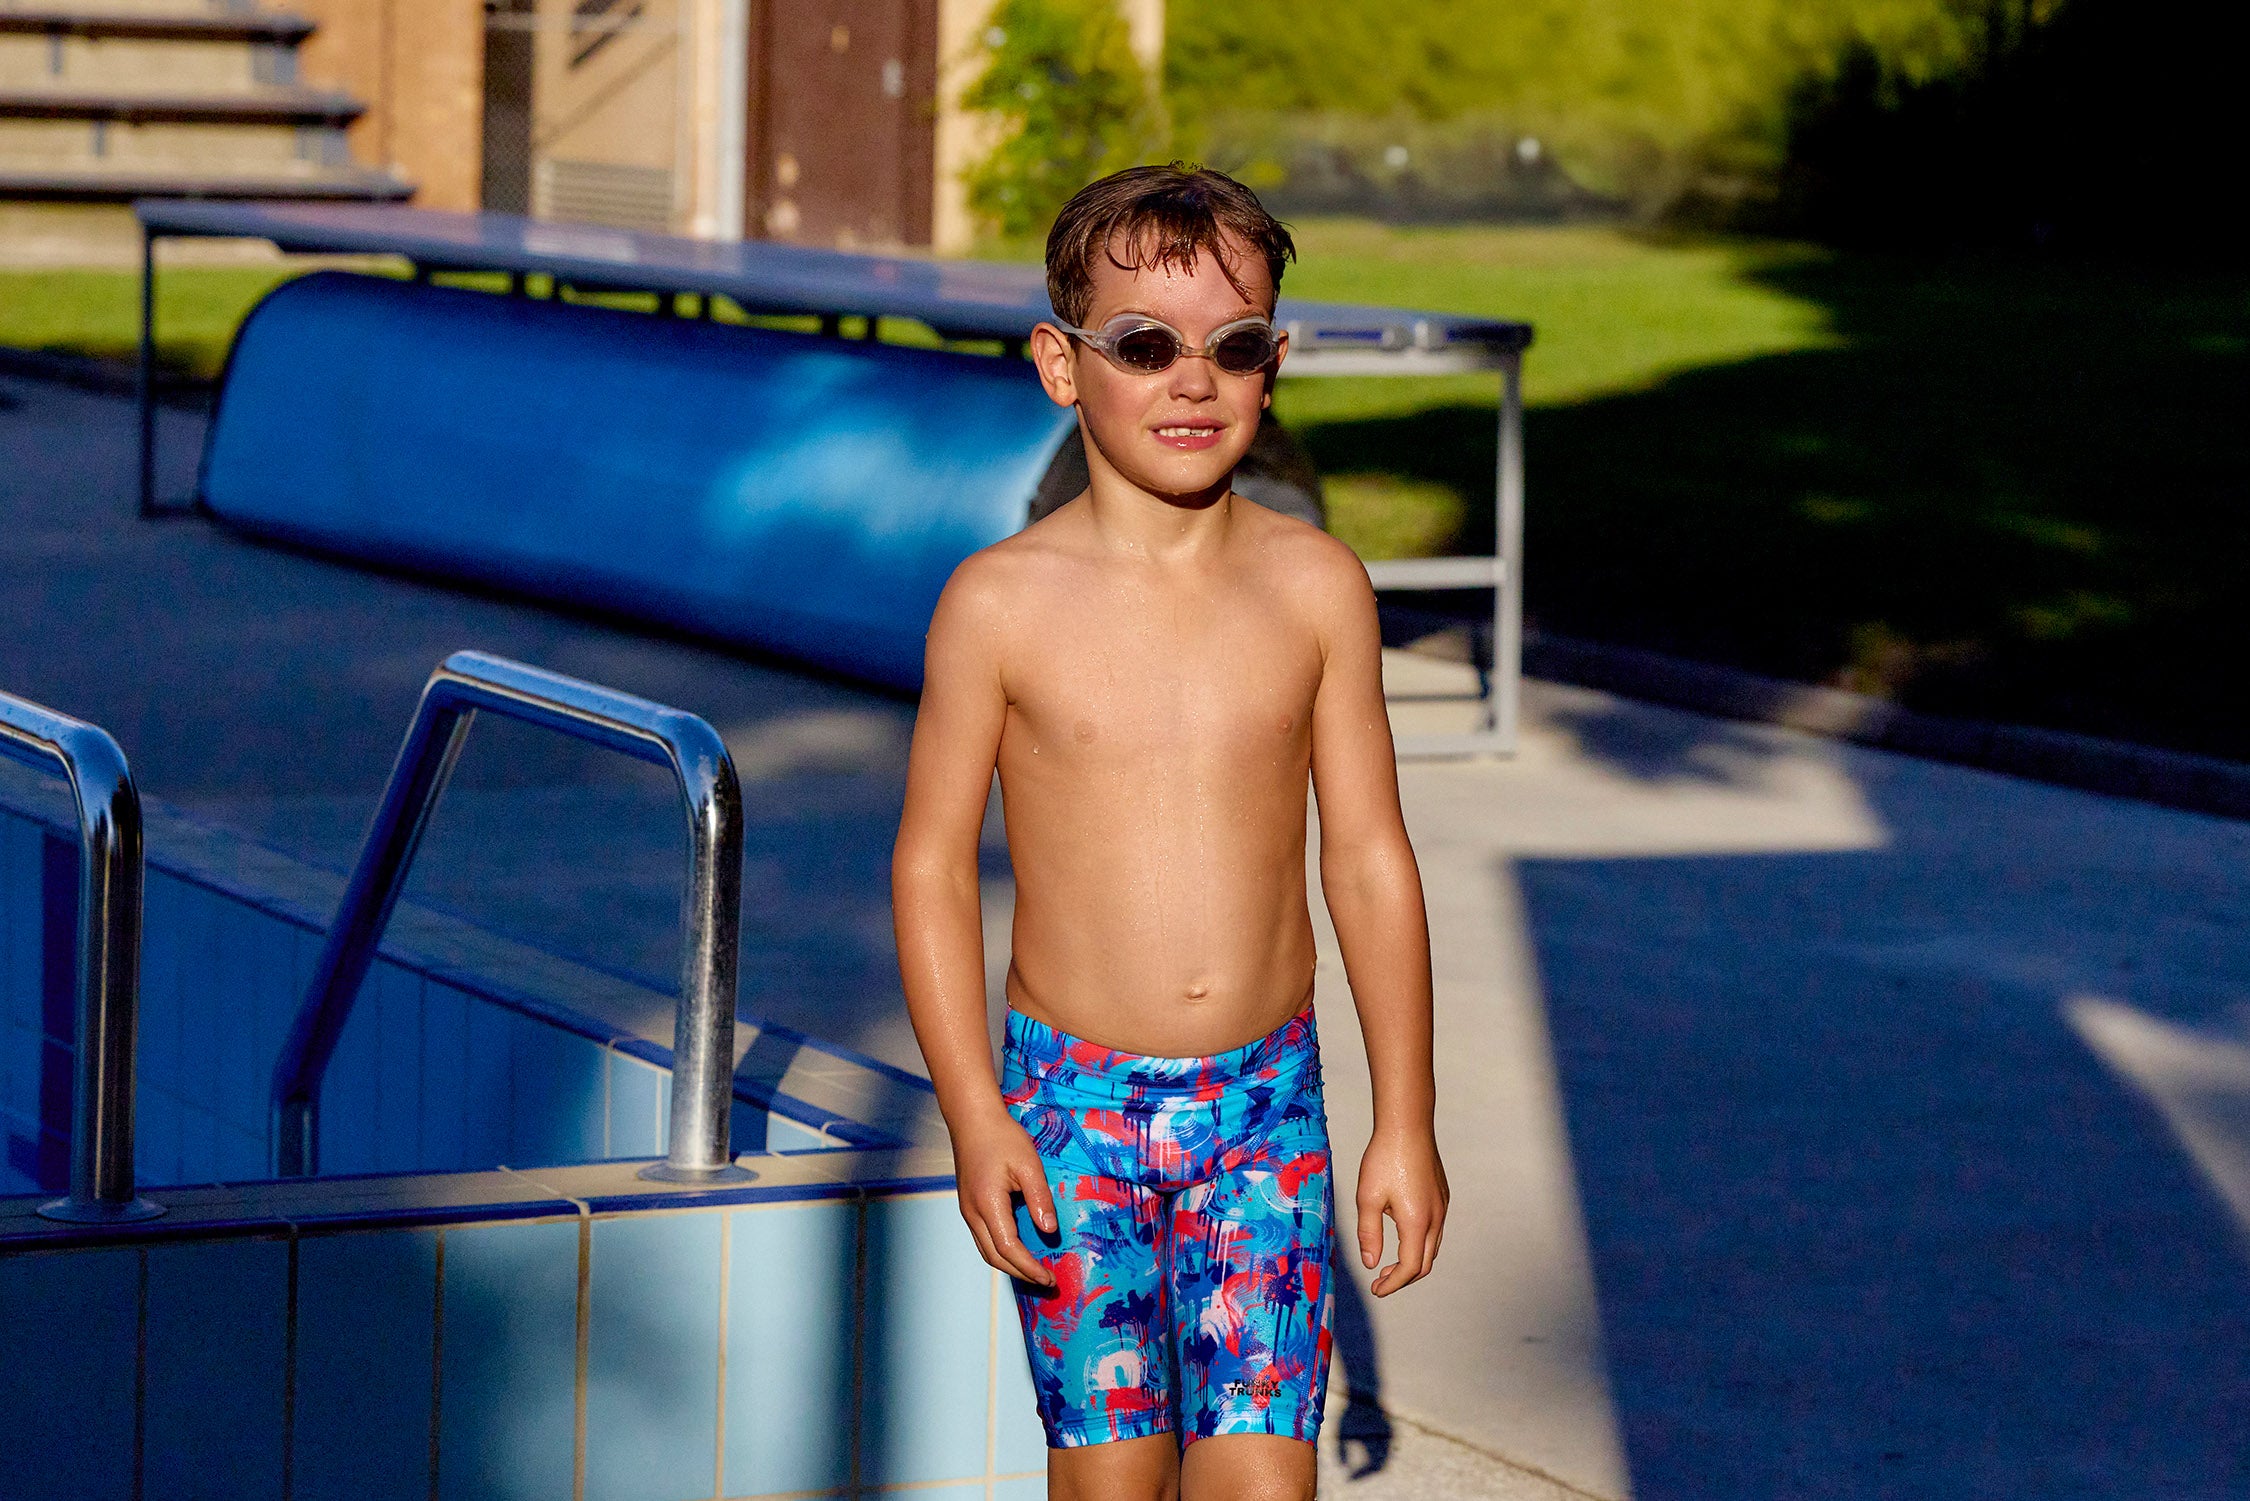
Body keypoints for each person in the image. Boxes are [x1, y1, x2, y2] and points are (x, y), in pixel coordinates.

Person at [892, 163, 1447, 1501]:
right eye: (1143, 346)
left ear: (1275, 366)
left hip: (1263, 1106)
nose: (1192, 381)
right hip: (1067, 1105)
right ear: (1060, 364)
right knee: (1111, 1480)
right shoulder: (1000, 603)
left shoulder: (1314, 586)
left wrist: (1405, 1118)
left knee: (1265, 1480)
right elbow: (926, 865)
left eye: (1235, 347)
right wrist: (975, 1114)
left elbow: (1366, 856)